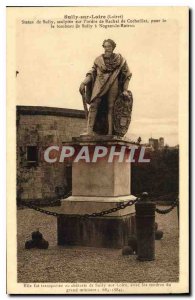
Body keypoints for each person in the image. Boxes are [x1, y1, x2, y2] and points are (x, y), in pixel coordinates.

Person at [79, 39, 132, 135]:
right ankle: (89, 131)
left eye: (109, 46)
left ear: (113, 47)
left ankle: (110, 132)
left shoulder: (120, 60)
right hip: (99, 83)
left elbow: (127, 74)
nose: (107, 48)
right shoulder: (98, 60)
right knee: (94, 104)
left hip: (113, 82)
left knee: (111, 107)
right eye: (105, 46)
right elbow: (92, 73)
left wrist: (125, 89)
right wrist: (84, 82)